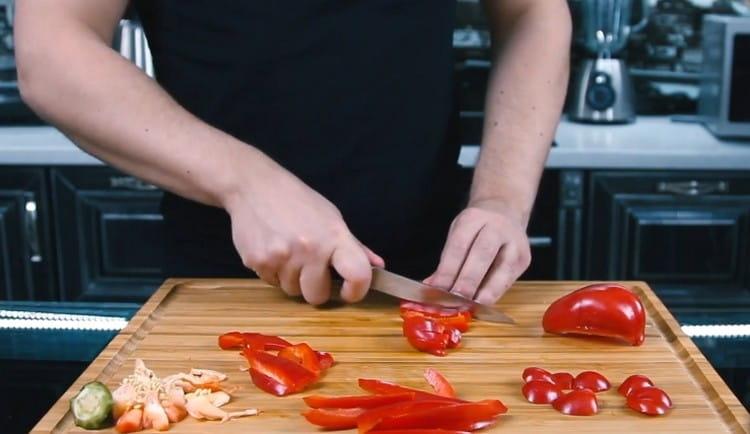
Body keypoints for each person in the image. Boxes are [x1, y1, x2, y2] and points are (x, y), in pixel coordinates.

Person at [15, 1, 571, 306]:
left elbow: (533, 13)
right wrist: (245, 182)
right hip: (230, 285)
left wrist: (501, 199)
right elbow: (52, 48)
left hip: (437, 277)